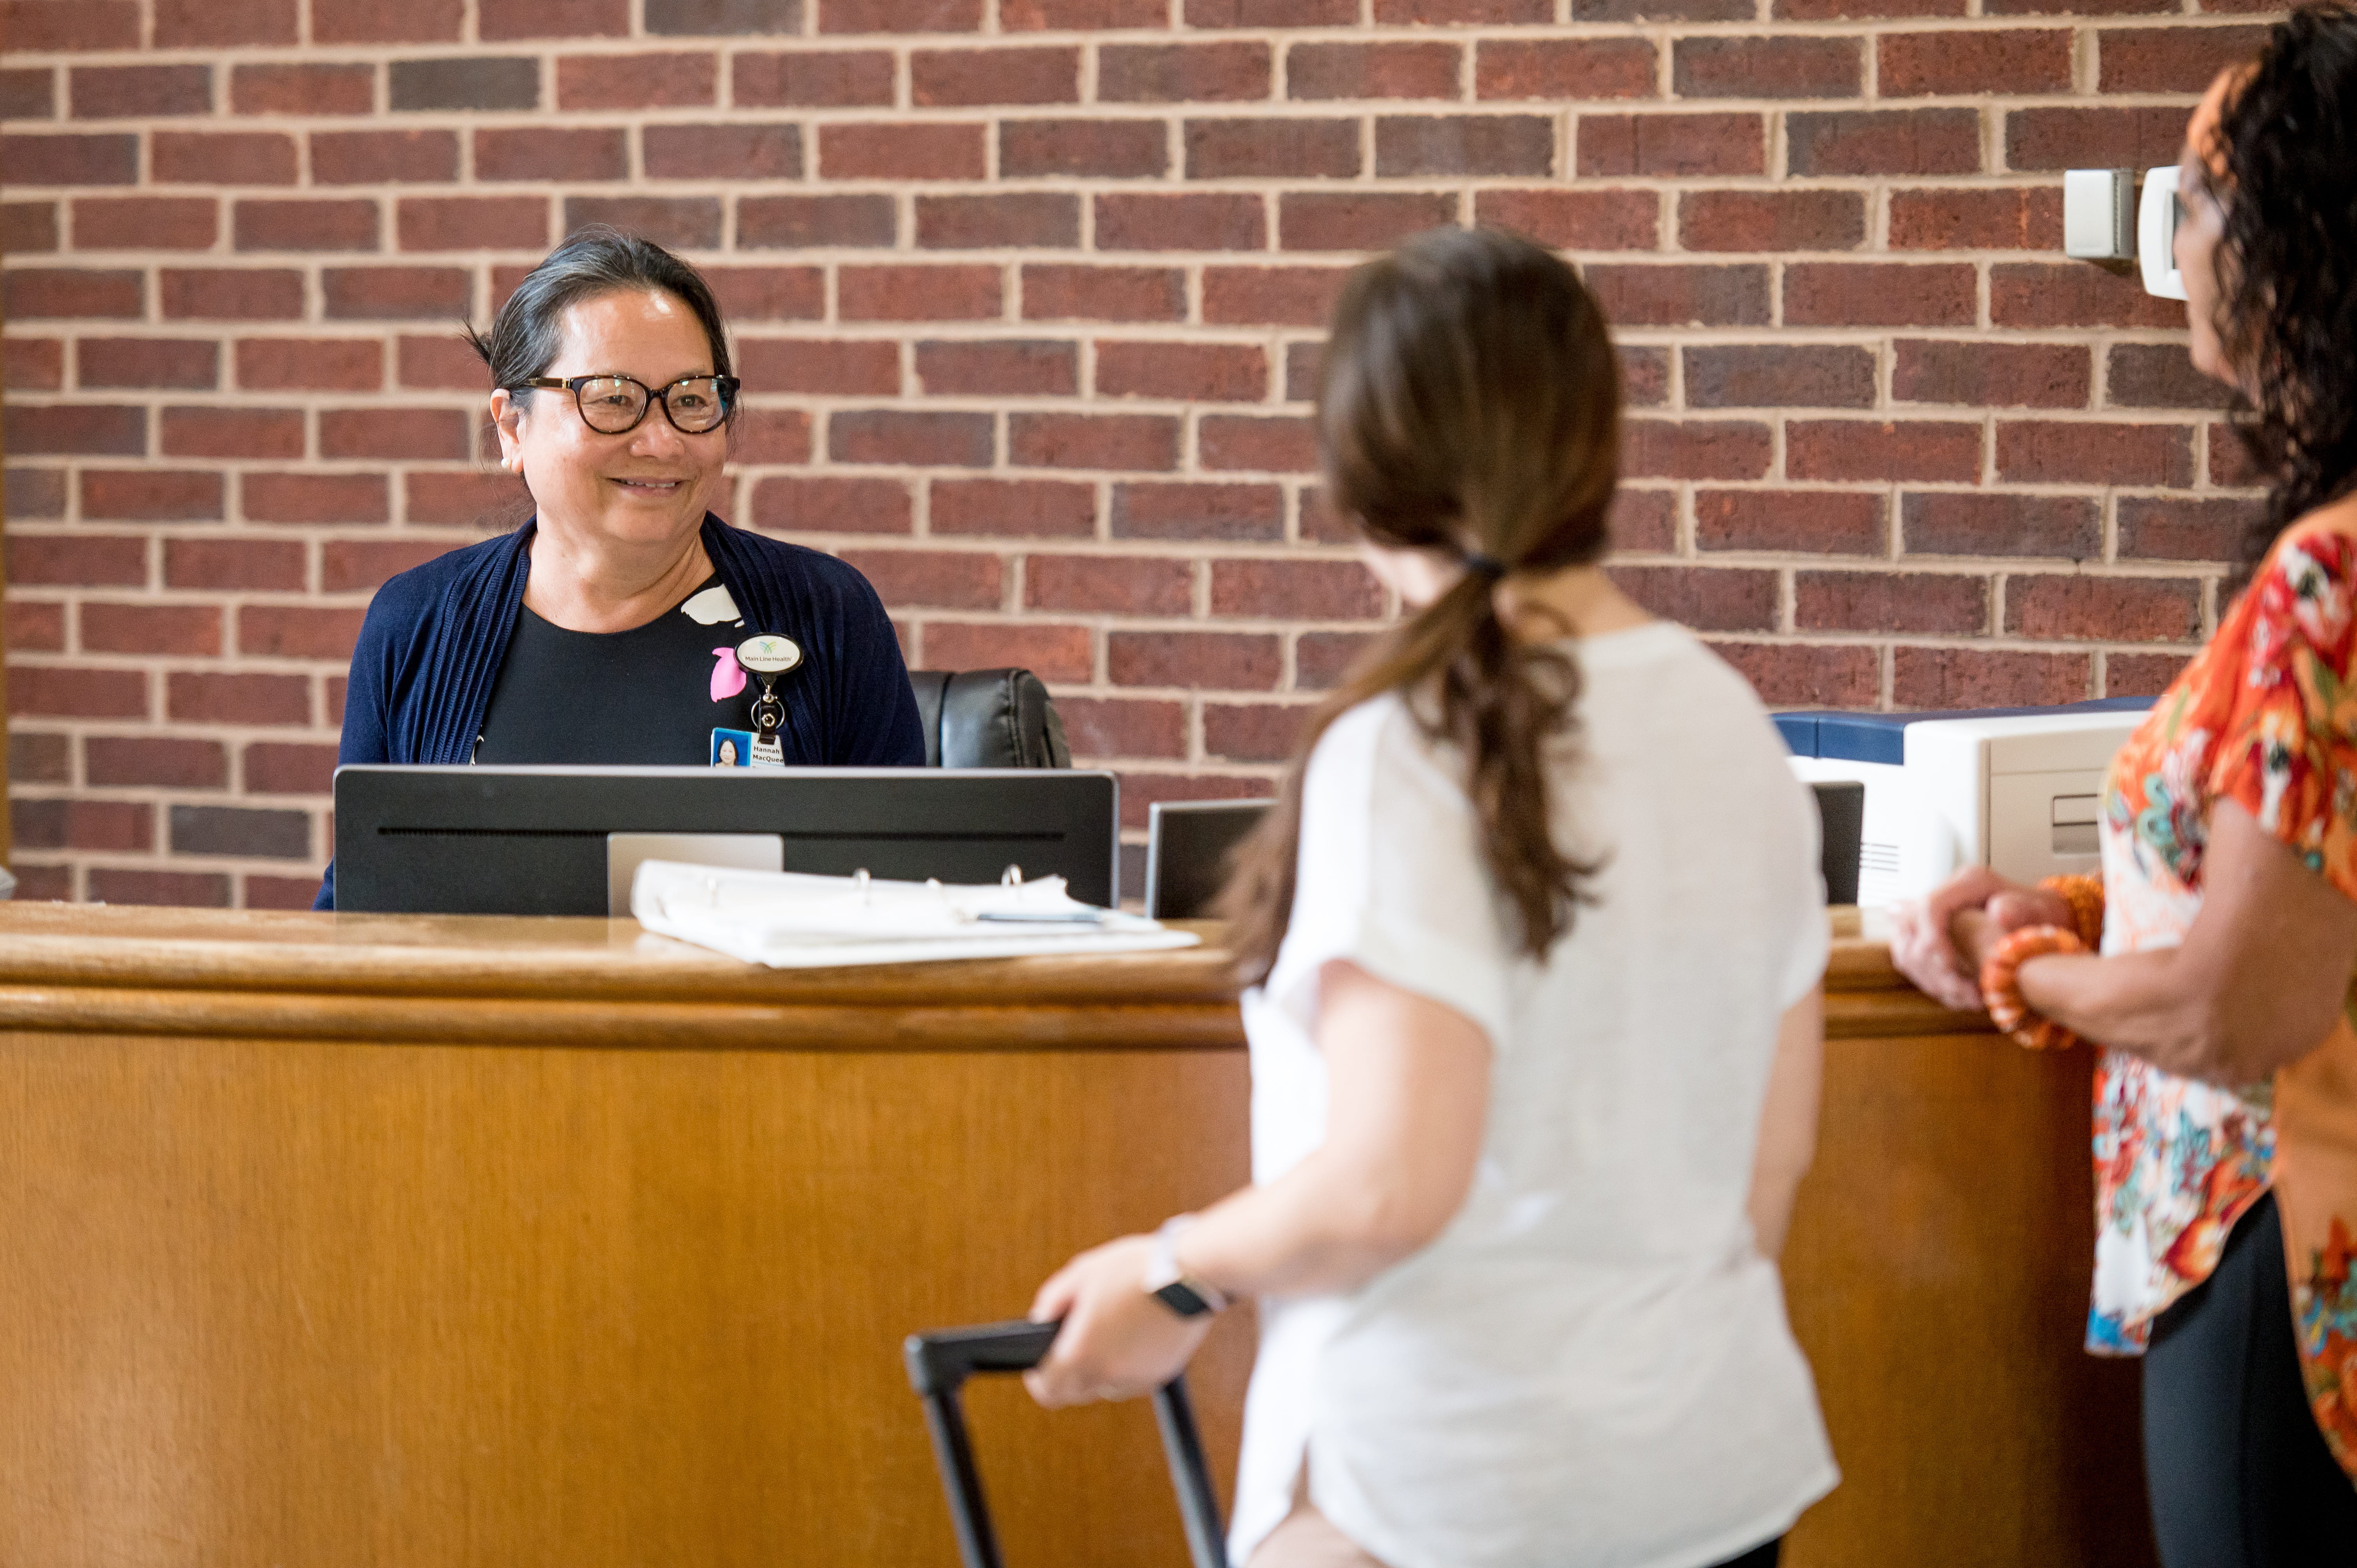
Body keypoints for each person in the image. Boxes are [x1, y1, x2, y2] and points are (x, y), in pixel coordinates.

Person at [1021, 227, 1836, 1568]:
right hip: (1703, 1474)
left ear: (1361, 470)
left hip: (1438, 1491)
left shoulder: (1401, 746)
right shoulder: (1726, 717)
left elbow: (1389, 1182)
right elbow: (1768, 1165)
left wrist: (1171, 1273)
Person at [1888, 10, 2357, 1561]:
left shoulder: (2327, 578)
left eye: (2198, 199)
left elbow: (2241, 1008)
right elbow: (2304, 894)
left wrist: (2033, 965)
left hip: (2273, 1263)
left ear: (2303, 235)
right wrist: (2089, 904)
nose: (2176, 239)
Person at [315, 228, 924, 908]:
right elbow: (359, 911)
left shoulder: (828, 615)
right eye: (612, 399)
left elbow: (905, 900)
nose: (661, 441)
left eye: (692, 399)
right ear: (512, 429)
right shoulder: (418, 624)